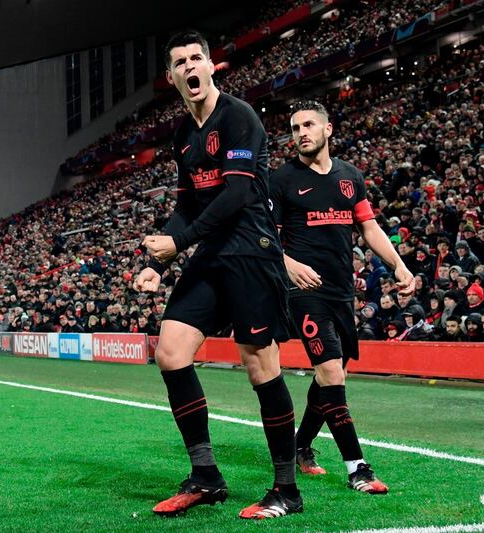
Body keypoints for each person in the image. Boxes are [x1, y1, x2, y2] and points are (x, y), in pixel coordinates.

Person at [134, 31, 299, 520]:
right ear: (172, 78)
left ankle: (287, 490)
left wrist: (180, 245)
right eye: (179, 62)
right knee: (170, 352)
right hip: (211, 254)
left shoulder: (239, 117)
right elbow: (188, 205)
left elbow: (236, 195)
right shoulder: (183, 136)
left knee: (260, 367)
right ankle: (206, 476)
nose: (190, 67)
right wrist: (154, 262)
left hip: (251, 252)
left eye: (196, 58)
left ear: (211, 66)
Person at [269, 100, 414, 494]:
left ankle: (301, 446)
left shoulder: (350, 176)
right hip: (302, 293)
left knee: (331, 375)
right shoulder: (281, 180)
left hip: (341, 293)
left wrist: (399, 266)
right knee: (331, 372)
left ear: (328, 129)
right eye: (295, 127)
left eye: (309, 125)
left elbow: (368, 227)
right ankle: (357, 468)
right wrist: (288, 265)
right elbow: (262, 238)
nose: (301, 132)